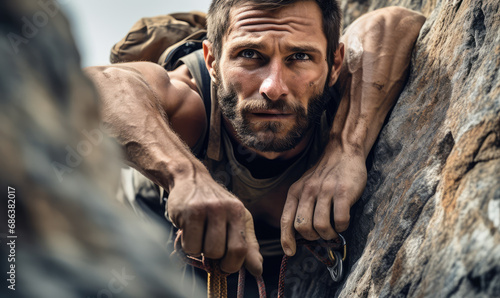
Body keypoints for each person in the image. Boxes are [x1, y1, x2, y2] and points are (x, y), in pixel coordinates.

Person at [86, 0, 425, 295]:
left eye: (301, 56)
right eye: (250, 55)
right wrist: (185, 176)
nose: (273, 87)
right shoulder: (192, 109)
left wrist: (345, 150)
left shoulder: (336, 98)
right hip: (155, 240)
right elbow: (97, 85)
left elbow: (393, 22)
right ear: (211, 61)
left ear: (336, 64)